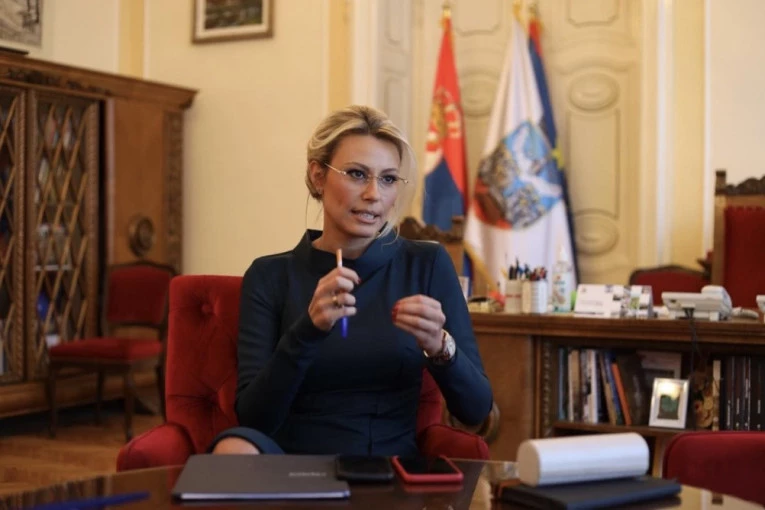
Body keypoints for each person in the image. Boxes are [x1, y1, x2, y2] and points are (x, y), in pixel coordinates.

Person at [211, 105, 493, 456]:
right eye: (357, 174)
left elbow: (476, 410)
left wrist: (440, 346)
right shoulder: (269, 275)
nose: (374, 194)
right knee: (234, 448)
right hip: (290, 467)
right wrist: (307, 330)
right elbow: (254, 419)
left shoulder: (426, 264)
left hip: (385, 467)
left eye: (388, 179)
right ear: (318, 176)